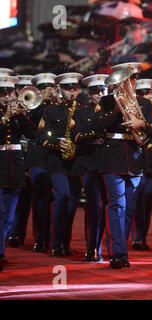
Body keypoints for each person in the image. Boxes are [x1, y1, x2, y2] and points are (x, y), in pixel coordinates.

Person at [93, 62, 152, 269]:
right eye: (127, 78)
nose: (131, 82)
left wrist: (142, 125)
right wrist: (114, 111)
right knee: (117, 205)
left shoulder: (145, 104)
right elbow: (95, 127)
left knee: (128, 208)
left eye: (133, 78)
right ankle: (118, 252)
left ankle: (120, 248)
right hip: (113, 157)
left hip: (136, 157)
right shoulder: (105, 101)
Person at [39, 72, 84, 257]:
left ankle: (65, 241)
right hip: (57, 161)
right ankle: (57, 243)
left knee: (72, 202)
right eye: (68, 88)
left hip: (76, 161)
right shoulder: (50, 111)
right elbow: (42, 136)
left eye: (75, 87)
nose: (72, 91)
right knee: (62, 197)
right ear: (60, 89)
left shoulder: (83, 110)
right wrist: (57, 142)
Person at [70, 74, 109, 262]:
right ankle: (92, 247)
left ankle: (103, 246)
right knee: (95, 205)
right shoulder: (81, 112)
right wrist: (97, 134)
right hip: (88, 164)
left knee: (108, 206)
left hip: (109, 163)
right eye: (96, 91)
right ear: (90, 94)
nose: (100, 93)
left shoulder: (114, 111)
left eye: (103, 90)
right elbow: (76, 136)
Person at [0, 75, 34, 271]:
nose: (7, 96)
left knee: (9, 217)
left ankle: (1, 250)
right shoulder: (4, 116)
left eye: (10, 92)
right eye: (3, 93)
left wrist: (21, 114)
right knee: (1, 213)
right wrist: (4, 118)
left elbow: (32, 134)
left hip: (15, 168)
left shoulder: (18, 116)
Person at [26, 73, 58, 253]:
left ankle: (55, 238)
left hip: (54, 155)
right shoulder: (31, 106)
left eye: (50, 87)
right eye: (43, 87)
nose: (47, 90)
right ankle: (40, 238)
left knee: (58, 198)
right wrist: (39, 103)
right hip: (37, 155)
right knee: (42, 197)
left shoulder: (59, 105)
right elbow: (30, 127)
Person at [7, 75, 35, 248]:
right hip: (9, 160)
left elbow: (34, 134)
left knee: (23, 201)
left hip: (25, 160)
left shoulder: (34, 109)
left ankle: (17, 233)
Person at [131, 78, 152, 251]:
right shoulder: (132, 109)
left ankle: (142, 236)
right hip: (134, 159)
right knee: (134, 202)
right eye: (140, 93)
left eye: (147, 93)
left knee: (147, 203)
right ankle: (135, 235)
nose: (144, 96)